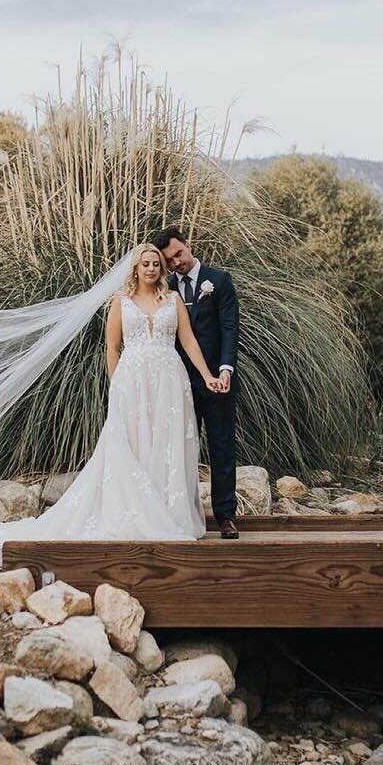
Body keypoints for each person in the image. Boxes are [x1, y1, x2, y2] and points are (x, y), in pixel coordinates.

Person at [0, 243, 223, 548]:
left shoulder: (173, 300)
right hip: (132, 383)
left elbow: (189, 342)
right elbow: (112, 348)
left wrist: (208, 376)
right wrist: (116, 386)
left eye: (156, 263)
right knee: (135, 445)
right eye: (146, 264)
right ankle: (136, 514)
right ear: (136, 269)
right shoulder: (121, 302)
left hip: (169, 381)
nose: (152, 268)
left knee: (167, 446)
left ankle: (170, 514)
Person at [151, 227, 241, 540]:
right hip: (178, 383)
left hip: (218, 379)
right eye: (169, 260)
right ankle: (183, 514)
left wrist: (226, 370)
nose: (176, 262)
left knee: (221, 446)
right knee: (180, 449)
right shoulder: (165, 289)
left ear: (188, 246)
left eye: (178, 254)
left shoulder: (219, 281)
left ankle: (226, 516)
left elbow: (230, 329)